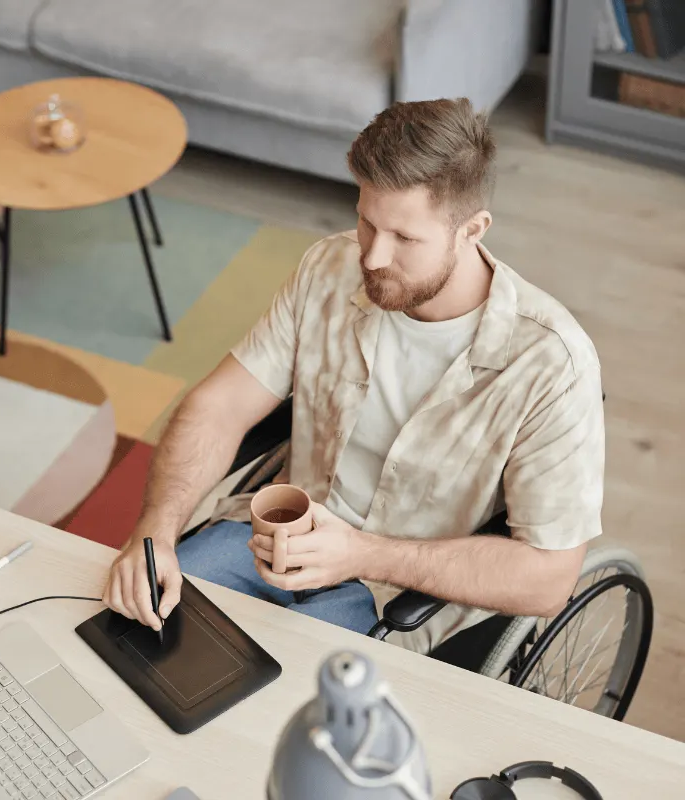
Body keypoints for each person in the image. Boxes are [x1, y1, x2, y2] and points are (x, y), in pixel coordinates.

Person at [103, 97, 605, 654]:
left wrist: (361, 553)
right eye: (367, 222)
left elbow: (550, 577)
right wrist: (154, 531)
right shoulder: (328, 268)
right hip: (271, 541)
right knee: (128, 634)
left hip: (394, 593)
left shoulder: (552, 363)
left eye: (405, 238)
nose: (371, 257)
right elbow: (218, 406)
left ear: (472, 230)